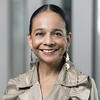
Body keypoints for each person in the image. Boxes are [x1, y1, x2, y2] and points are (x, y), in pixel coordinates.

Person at [3, 4, 99, 100]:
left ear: (68, 39)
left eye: (57, 34)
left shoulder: (85, 86)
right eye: (40, 34)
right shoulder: (14, 86)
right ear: (30, 39)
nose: (48, 42)